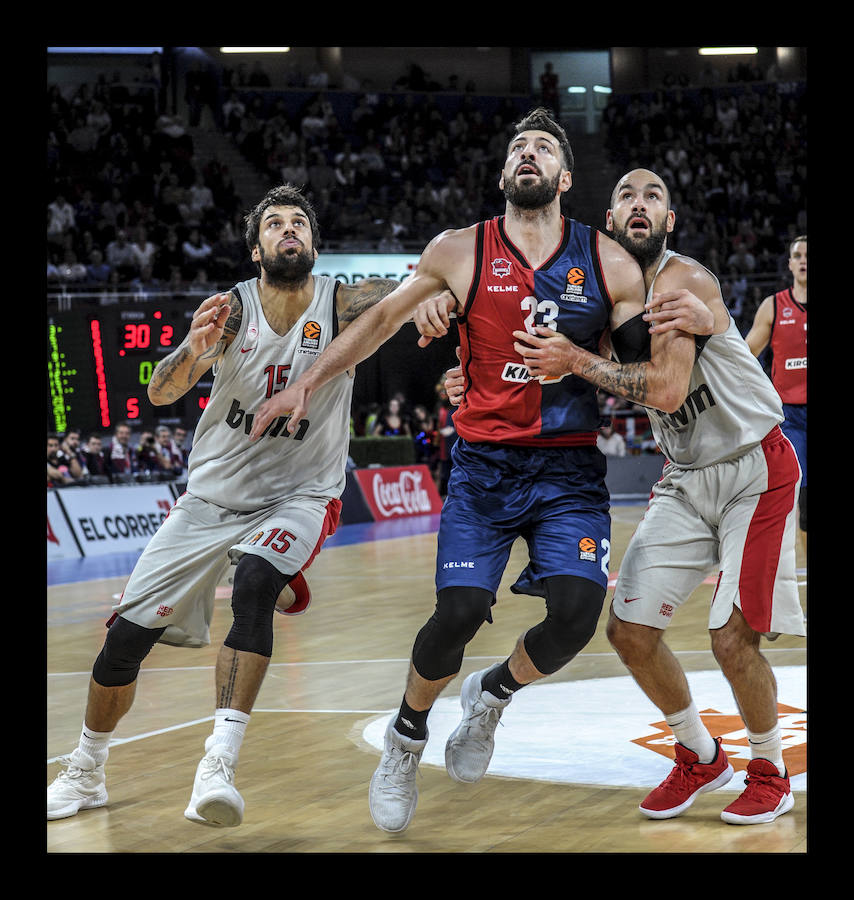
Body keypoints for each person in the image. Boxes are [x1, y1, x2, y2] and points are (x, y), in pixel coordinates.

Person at [248, 109, 696, 834]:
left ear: (565, 177)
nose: (529, 153)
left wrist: (578, 362)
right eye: (519, 146)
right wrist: (309, 381)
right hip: (484, 466)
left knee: (578, 615)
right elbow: (381, 321)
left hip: (567, 470)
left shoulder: (608, 263)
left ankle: (491, 695)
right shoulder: (458, 250)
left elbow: (650, 373)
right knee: (456, 613)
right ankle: (405, 737)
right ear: (503, 174)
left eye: (544, 147)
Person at [47, 184, 407, 827]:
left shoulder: (347, 304)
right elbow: (161, 391)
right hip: (211, 498)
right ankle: (86, 767)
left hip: (301, 495)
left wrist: (431, 310)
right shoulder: (231, 313)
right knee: (124, 645)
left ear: (315, 245)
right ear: (255, 248)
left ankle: (218, 762)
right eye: (275, 223)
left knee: (256, 586)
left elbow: (427, 288)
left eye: (299, 222)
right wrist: (190, 347)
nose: (289, 230)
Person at [503, 168, 805, 826]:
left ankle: (768, 769)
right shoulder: (601, 299)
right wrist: (459, 370)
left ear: (668, 222)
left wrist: (578, 360)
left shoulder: (682, 281)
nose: (640, 205)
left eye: (655, 197)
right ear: (609, 220)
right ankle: (700, 755)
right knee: (630, 631)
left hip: (754, 470)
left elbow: (665, 391)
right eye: (627, 197)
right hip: (685, 475)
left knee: (732, 641)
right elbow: (535, 353)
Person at [744, 236, 807, 551]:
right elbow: (744, 356)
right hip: (791, 416)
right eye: (798, 255)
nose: (804, 260)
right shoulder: (774, 305)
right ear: (790, 264)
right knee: (800, 492)